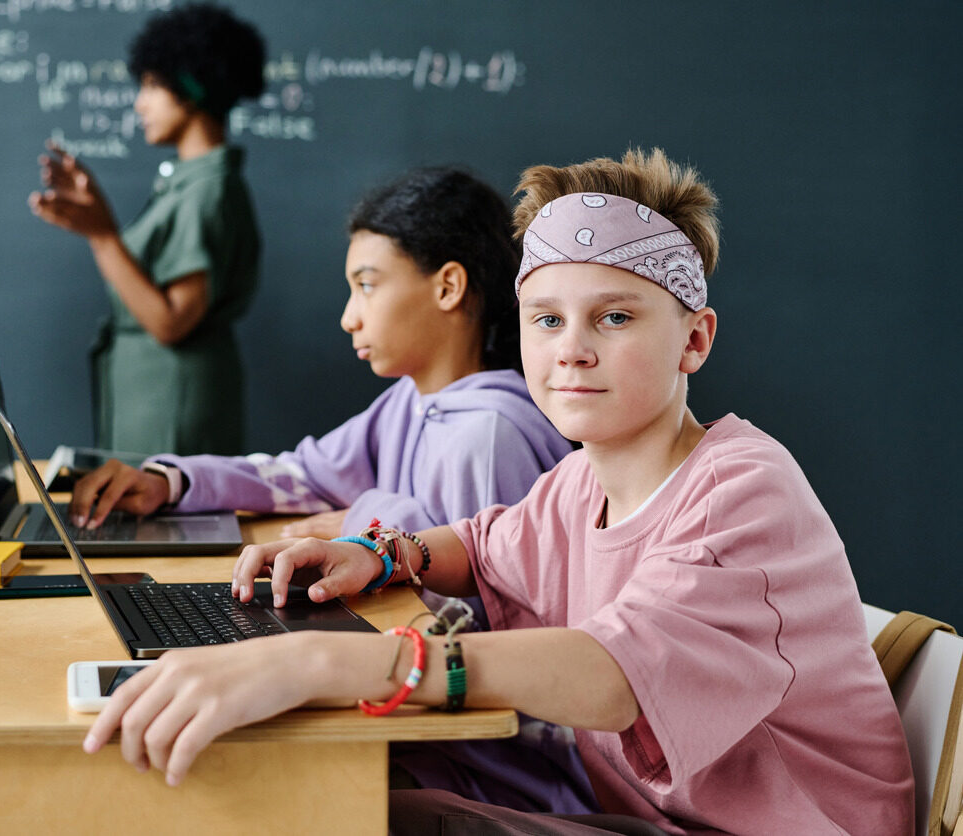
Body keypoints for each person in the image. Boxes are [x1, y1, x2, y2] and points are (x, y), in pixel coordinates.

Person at [81, 149, 915, 835]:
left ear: (693, 339)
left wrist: (321, 660)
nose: (573, 350)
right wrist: (379, 554)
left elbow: (613, 673)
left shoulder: (744, 489)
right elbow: (480, 544)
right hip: (642, 820)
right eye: (547, 320)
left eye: (615, 318)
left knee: (346, 814)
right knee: (342, 805)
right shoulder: (580, 479)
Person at [69, 166, 593, 814]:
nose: (349, 317)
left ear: (449, 286)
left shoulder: (487, 435)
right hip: (421, 732)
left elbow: (469, 629)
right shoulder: (410, 401)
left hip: (484, 769)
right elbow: (302, 474)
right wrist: (170, 480)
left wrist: (363, 517)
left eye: (367, 286)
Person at [29, 3, 264, 457]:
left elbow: (171, 321)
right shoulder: (189, 182)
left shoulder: (206, 191)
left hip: (172, 404)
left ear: (191, 87)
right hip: (156, 395)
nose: (140, 103)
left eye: (153, 85)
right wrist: (99, 220)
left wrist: (101, 235)